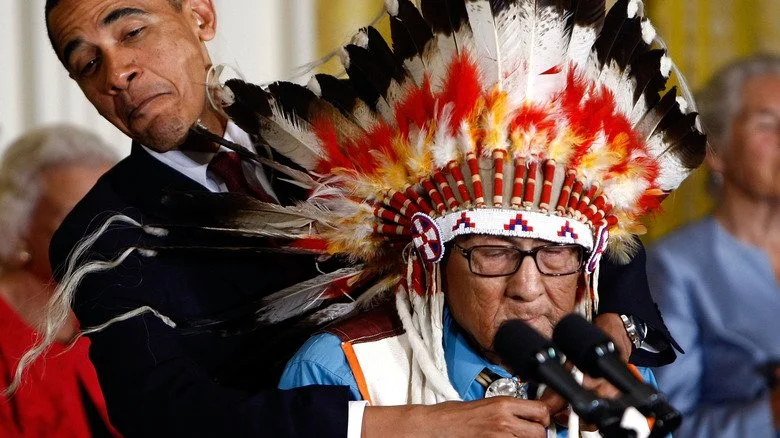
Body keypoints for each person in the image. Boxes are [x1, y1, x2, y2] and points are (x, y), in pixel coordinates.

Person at [30, 0, 681, 436]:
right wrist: (406, 425)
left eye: (132, 30)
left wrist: (611, 327)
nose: (118, 71)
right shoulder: (103, 233)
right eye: (86, 62)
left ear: (200, 16)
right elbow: (164, 415)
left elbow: (564, 195)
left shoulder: (336, 130)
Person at [648, 54, 780, 438]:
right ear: (717, 151)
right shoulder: (675, 267)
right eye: (768, 123)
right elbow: (665, 424)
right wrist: (769, 414)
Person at [0, 125, 119, 437]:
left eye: (110, 217)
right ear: (19, 222)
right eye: (76, 219)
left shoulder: (120, 308)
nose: (102, 237)